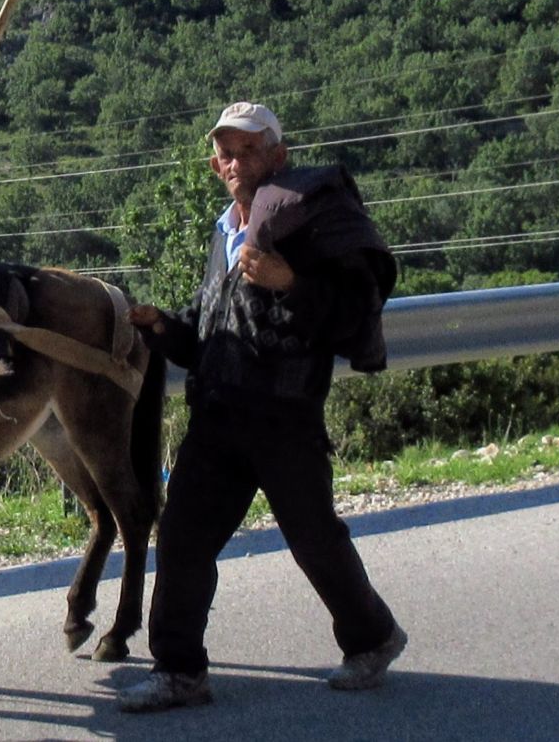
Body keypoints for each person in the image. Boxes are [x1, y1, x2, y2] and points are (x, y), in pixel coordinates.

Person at [117, 101, 406, 713]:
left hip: (284, 418)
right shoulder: (225, 231)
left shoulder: (311, 221)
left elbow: (354, 314)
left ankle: (374, 637)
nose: (235, 160)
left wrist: (291, 282)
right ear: (214, 161)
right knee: (182, 537)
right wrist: (163, 328)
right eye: (226, 149)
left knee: (313, 538)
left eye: (250, 148)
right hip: (218, 419)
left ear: (278, 154)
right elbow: (211, 336)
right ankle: (180, 671)